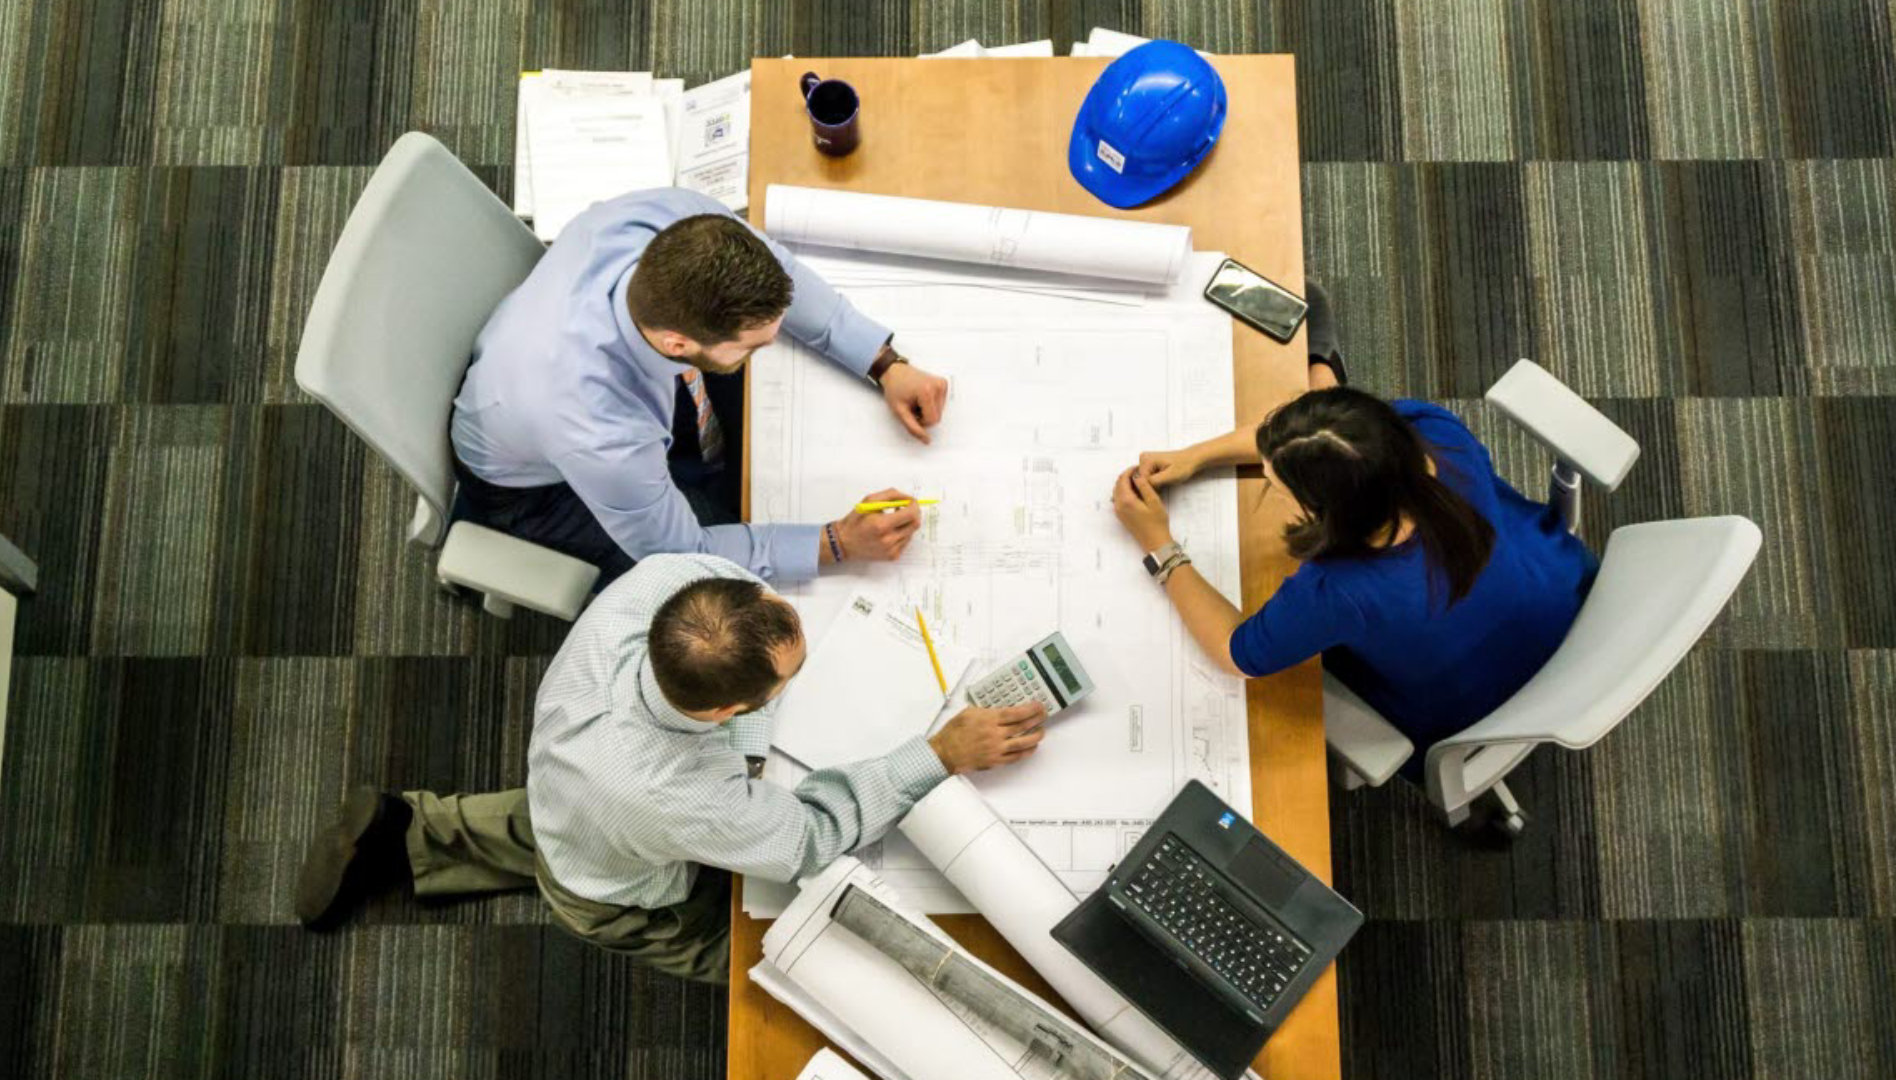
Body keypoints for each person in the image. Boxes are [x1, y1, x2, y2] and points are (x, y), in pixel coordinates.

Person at [293, 553, 1046, 983]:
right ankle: (778, 970)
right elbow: (808, 839)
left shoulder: (668, 584)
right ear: (728, 712)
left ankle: (411, 830)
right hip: (616, 885)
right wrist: (938, 752)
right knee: (767, 954)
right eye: (789, 678)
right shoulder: (676, 796)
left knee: (563, 819)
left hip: (572, 783)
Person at [1109, 285, 1596, 777]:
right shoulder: (1432, 431)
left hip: (1475, 706)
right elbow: (1327, 439)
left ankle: (1322, 369)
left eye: (1277, 485)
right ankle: (1322, 374)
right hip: (1564, 593)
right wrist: (1196, 456)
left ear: (1329, 513)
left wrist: (1160, 545)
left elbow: (1238, 653)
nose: (1269, 484)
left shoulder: (1340, 591)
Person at [450, 188, 953, 585]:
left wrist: (883, 362)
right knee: (719, 589)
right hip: (535, 490)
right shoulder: (600, 430)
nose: (771, 346)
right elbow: (682, 553)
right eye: (753, 345)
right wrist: (837, 542)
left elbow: (783, 272)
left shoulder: (672, 220)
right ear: (677, 343)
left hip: (543, 373)